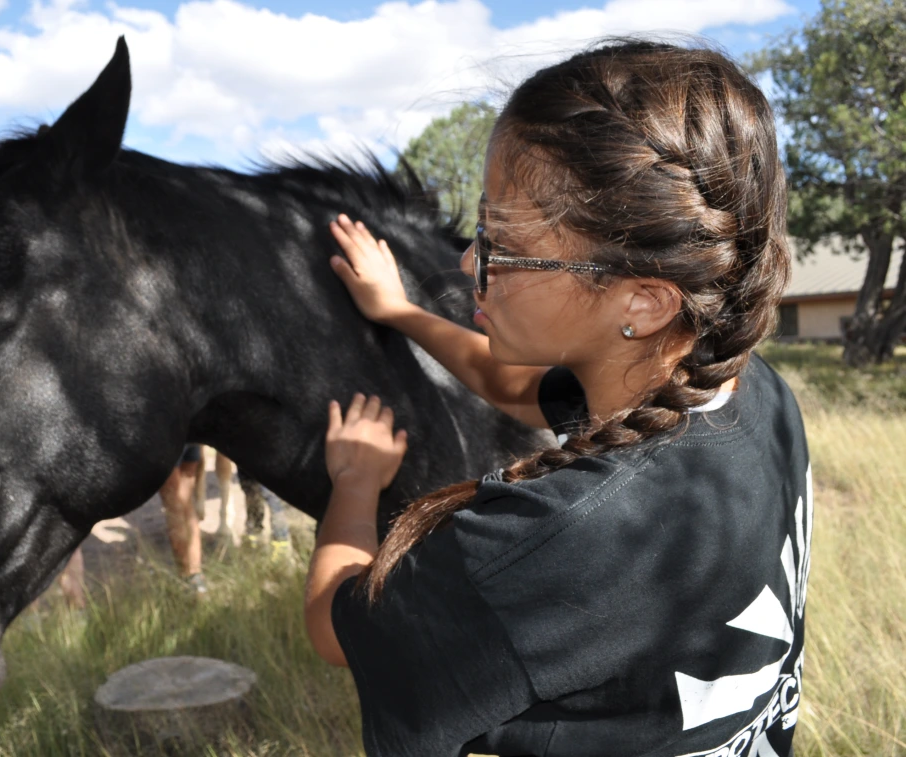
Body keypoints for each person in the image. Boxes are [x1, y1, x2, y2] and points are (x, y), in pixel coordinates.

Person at [305, 41, 811, 757]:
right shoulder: (754, 393)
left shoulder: (546, 544)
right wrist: (398, 312)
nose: (468, 262)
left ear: (643, 297)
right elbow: (509, 383)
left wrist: (354, 486)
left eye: (499, 241)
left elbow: (333, 623)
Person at [160, 443, 209, 594]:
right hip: (190, 438)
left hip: (168, 439)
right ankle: (196, 573)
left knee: (174, 505)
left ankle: (186, 576)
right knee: (187, 502)